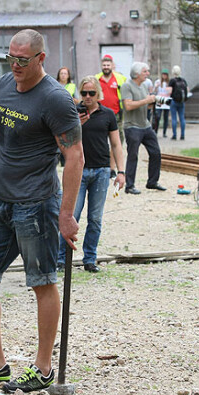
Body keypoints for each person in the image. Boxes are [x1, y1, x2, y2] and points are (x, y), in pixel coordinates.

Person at [0, 29, 84, 393]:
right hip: (0, 203)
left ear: (40, 59)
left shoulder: (55, 100)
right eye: (10, 57)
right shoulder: (3, 86)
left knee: (42, 282)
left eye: (22, 60)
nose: (14, 65)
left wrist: (66, 213)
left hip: (37, 204)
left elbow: (74, 156)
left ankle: (43, 368)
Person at [57, 76, 125, 273]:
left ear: (98, 94)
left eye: (91, 93)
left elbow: (116, 144)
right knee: (71, 214)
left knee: (95, 217)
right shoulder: (72, 112)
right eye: (84, 93)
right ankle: (62, 258)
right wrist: (77, 124)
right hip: (77, 171)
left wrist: (121, 172)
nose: (87, 97)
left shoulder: (108, 114)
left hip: (101, 170)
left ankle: (90, 258)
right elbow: (62, 140)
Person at [120, 62, 165, 195]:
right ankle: (130, 185)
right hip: (132, 126)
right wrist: (146, 101)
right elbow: (128, 106)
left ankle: (152, 182)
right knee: (133, 155)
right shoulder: (127, 86)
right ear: (137, 73)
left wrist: (154, 102)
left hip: (145, 125)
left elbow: (145, 106)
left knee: (156, 152)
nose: (147, 74)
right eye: (145, 71)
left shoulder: (144, 86)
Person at [96, 55, 127, 178]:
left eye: (108, 65)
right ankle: (102, 166)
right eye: (104, 65)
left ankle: (112, 168)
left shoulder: (120, 79)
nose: (106, 67)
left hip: (116, 115)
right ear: (101, 66)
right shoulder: (96, 78)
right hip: (100, 115)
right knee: (100, 142)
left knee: (117, 141)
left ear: (112, 66)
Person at [168, 65, 188, 140]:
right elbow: (187, 89)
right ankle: (182, 135)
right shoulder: (183, 80)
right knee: (182, 118)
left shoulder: (172, 81)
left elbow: (169, 91)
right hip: (182, 101)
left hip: (174, 101)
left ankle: (174, 135)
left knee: (174, 118)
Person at [153, 68, 171, 137]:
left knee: (166, 117)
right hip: (159, 100)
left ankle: (164, 132)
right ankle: (156, 131)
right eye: (163, 74)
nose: (164, 76)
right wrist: (156, 87)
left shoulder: (168, 83)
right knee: (158, 116)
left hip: (166, 101)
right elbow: (154, 91)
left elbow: (170, 92)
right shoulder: (158, 82)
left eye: (165, 75)